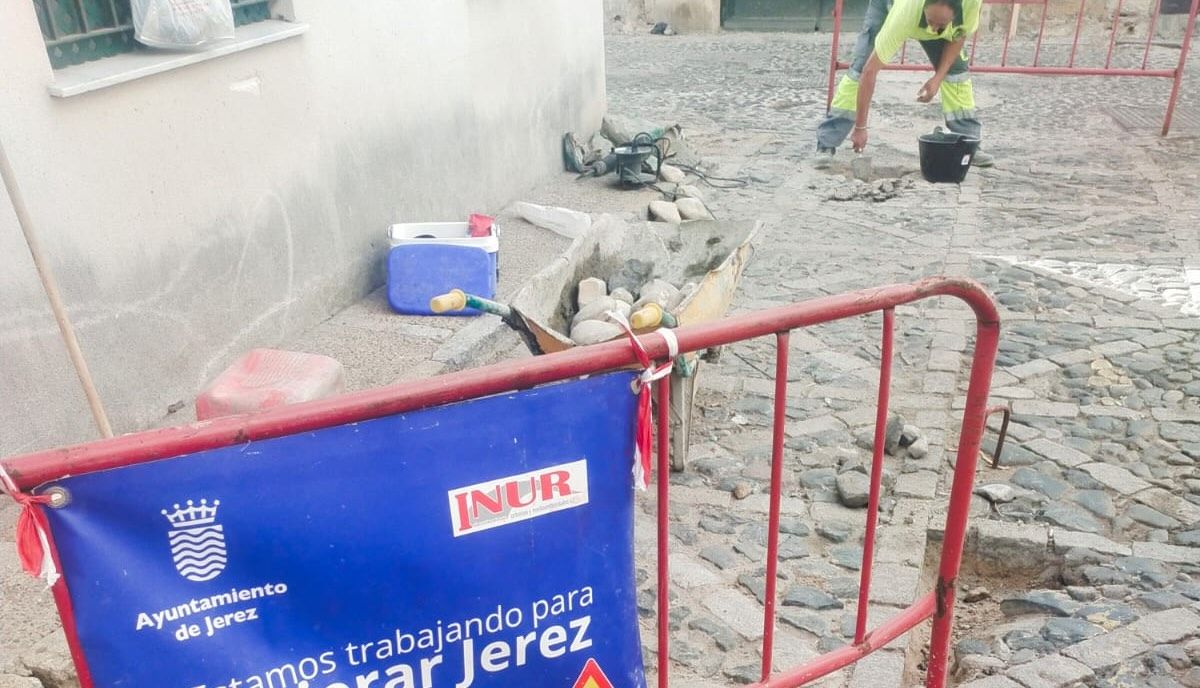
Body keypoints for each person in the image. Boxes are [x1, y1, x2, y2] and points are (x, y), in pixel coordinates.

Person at [814, 0, 994, 167]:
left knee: (957, 75)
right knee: (860, 69)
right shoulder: (905, 13)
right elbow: (870, 72)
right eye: (931, 21)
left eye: (941, 25)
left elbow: (958, 36)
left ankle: (969, 145)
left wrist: (937, 78)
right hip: (893, 7)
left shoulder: (970, 4)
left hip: (931, 16)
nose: (933, 29)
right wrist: (861, 128)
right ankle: (827, 143)